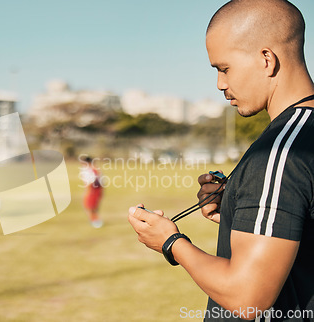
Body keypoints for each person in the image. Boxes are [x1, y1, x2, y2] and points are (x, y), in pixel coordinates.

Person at [128, 0, 314, 320]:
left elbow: (247, 296)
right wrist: (234, 211)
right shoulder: (302, 137)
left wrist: (171, 242)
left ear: (266, 59)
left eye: (224, 68)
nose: (220, 84)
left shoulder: (281, 151)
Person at [80, 156, 103, 228]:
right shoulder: (95, 169)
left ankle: (95, 221)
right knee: (92, 207)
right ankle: (94, 220)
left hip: (93, 190)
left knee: (89, 206)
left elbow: (91, 182)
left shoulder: (91, 170)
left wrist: (87, 191)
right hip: (97, 190)